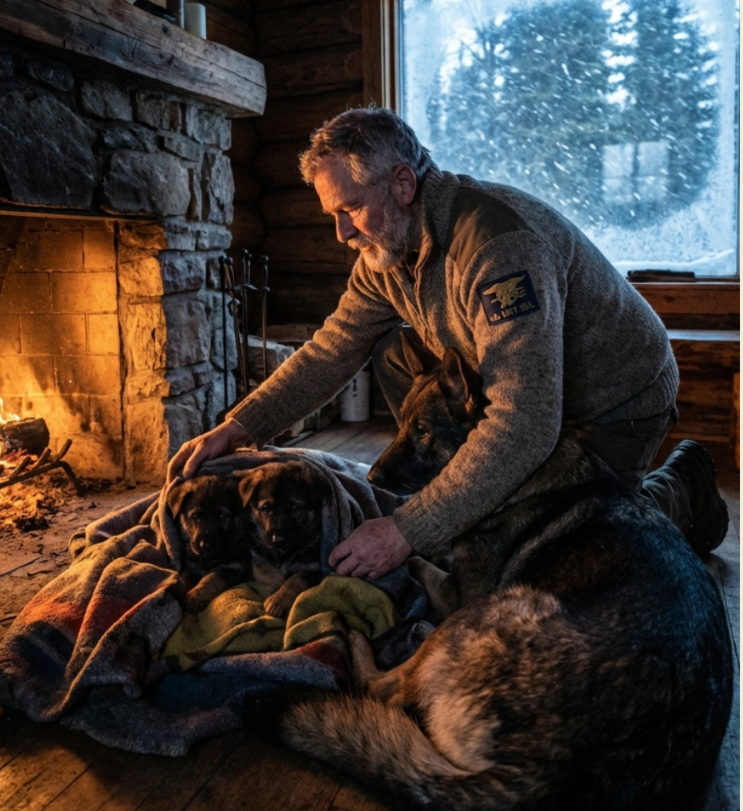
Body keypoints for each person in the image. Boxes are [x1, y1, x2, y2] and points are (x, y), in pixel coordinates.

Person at [167, 106, 728, 578]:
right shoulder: (384, 252)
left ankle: (679, 487)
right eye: (331, 216)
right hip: (529, 394)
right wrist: (239, 427)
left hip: (612, 403)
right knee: (391, 355)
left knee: (551, 543)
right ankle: (464, 491)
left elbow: (525, 422)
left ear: (404, 184)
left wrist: (408, 530)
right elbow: (331, 349)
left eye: (350, 209)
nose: (341, 234)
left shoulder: (499, 253)